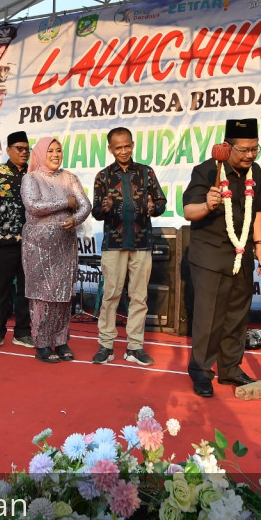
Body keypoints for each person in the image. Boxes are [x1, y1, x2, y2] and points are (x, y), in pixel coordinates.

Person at [182, 118, 261, 397]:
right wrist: (208, 203)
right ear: (226, 147)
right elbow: (188, 212)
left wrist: (258, 244)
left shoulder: (254, 171)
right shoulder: (206, 171)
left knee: (236, 316)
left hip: (240, 253)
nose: (250, 155)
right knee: (208, 318)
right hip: (210, 255)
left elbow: (256, 210)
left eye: (255, 149)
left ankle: (230, 368)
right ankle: (202, 372)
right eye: (244, 150)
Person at [90, 127, 167, 366]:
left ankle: (135, 347)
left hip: (142, 243)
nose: (123, 151)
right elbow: (95, 211)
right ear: (110, 148)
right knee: (110, 296)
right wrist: (103, 209)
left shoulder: (146, 172)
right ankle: (106, 345)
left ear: (133, 145)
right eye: (118, 147)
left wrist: (156, 208)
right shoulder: (103, 176)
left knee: (139, 298)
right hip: (113, 245)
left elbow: (161, 201)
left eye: (127, 146)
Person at [21, 137, 92, 363]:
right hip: (37, 247)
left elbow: (85, 205)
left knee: (63, 295)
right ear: (41, 153)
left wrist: (75, 219)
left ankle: (61, 340)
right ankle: (41, 343)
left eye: (58, 150)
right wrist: (65, 203)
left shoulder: (69, 177)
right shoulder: (30, 178)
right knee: (42, 296)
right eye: (50, 150)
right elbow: (33, 206)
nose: (55, 154)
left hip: (64, 245)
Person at [0, 131, 33, 350]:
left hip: (32, 243)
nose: (24, 152)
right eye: (19, 148)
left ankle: (22, 332)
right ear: (9, 150)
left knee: (26, 291)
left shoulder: (35, 173)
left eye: (26, 148)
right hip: (3, 242)